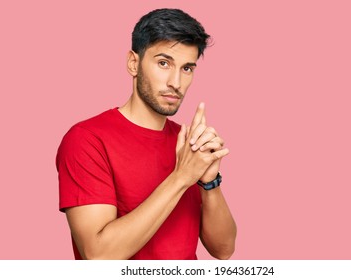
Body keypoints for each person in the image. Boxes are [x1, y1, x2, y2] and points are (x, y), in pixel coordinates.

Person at [56, 8, 236, 260]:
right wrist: (182, 176)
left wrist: (209, 182)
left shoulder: (188, 144)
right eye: (164, 63)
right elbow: (98, 256)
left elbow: (224, 250)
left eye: (187, 68)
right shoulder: (86, 139)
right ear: (134, 63)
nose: (176, 81)